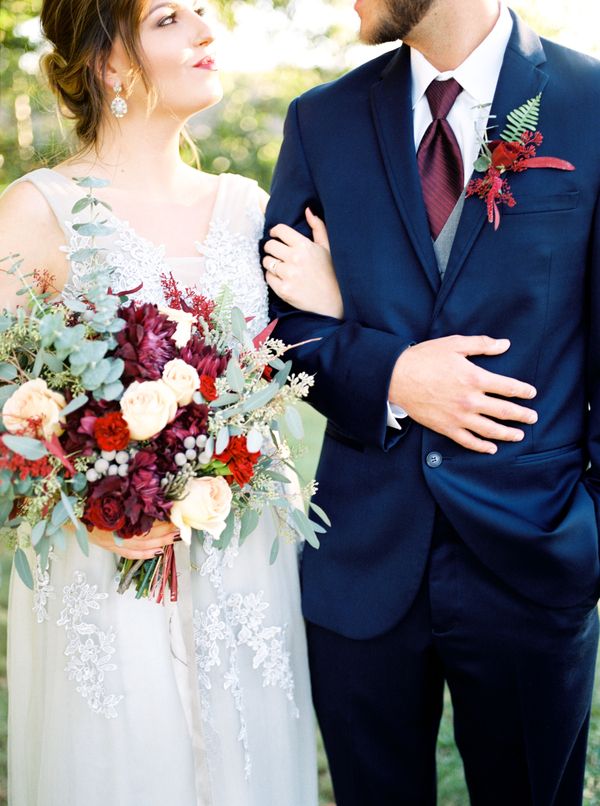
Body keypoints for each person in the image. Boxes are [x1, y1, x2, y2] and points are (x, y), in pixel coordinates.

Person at [263, 0, 600, 803]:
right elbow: (280, 321)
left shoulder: (590, 103)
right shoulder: (322, 119)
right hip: (363, 557)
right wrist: (392, 375)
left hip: (536, 551)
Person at [0, 1, 334, 803]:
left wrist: (334, 302)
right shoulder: (36, 208)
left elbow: (298, 362)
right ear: (110, 61)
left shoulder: (252, 207)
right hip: (104, 559)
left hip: (241, 554)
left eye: (203, 15)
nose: (205, 33)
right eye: (169, 19)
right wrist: (79, 497)